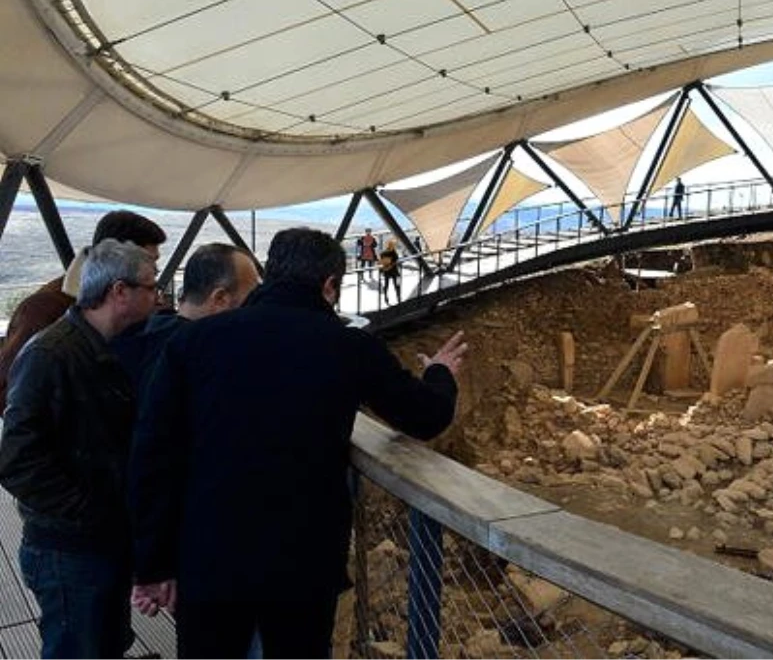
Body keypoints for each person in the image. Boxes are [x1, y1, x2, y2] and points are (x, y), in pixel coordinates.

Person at [128, 227, 466, 658]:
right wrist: (440, 373)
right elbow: (425, 416)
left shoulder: (192, 341)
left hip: (208, 555)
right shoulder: (347, 346)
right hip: (303, 562)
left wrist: (152, 566)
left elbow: (152, 457)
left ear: (271, 274)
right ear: (328, 285)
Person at [0, 240, 160, 659]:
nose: (158, 296)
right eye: (151, 286)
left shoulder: (100, 346)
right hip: (68, 549)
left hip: (95, 542)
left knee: (104, 643)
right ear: (119, 292)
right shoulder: (52, 354)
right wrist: (89, 511)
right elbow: (17, 461)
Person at [0, 210, 166, 413]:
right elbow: (10, 394)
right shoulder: (43, 310)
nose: (154, 271)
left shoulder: (136, 311)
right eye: (149, 260)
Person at [113, 243, 260, 390]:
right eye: (252, 298)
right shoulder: (204, 358)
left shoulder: (140, 340)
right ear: (219, 298)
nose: (257, 308)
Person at [378, 238, 401, 305]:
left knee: (386, 285)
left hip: (386, 271)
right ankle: (398, 297)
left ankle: (385, 297)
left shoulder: (382, 253)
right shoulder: (394, 253)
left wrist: (382, 269)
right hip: (394, 271)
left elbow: (381, 262)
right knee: (397, 284)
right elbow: (396, 261)